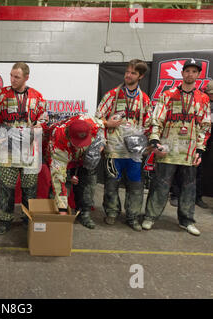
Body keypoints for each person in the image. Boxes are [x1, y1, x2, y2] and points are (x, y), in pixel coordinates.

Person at [142, 59, 211, 236]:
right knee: (160, 184)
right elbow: (157, 119)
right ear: (182, 73)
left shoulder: (202, 98)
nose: (190, 74)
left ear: (198, 75)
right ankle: (150, 217)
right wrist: (155, 140)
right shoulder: (168, 94)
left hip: (189, 151)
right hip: (168, 148)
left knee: (189, 186)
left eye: (194, 71)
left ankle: (186, 221)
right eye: (187, 70)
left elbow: (205, 125)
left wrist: (200, 149)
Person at [0, 62, 48, 235]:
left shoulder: (37, 97)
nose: (12, 79)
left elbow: (44, 118)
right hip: (7, 151)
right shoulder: (0, 95)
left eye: (17, 77)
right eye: (11, 75)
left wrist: (38, 127)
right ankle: (5, 219)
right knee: (6, 187)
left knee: (30, 188)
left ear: (26, 77)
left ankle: (27, 218)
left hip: (29, 151)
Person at [95, 59, 151, 231]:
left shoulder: (144, 99)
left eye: (133, 73)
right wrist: (108, 124)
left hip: (133, 152)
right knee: (112, 182)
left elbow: (149, 124)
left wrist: (146, 145)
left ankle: (132, 216)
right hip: (114, 149)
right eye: (127, 71)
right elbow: (97, 118)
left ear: (140, 76)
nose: (128, 75)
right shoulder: (112, 95)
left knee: (135, 184)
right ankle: (112, 212)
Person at [47, 115, 104, 228]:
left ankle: (84, 214)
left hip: (84, 157)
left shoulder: (92, 123)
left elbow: (102, 128)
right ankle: (56, 212)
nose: (80, 144)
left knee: (88, 184)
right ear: (69, 135)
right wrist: (62, 208)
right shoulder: (57, 140)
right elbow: (58, 179)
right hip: (65, 154)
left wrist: (99, 146)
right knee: (61, 184)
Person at [169, 80, 213, 209]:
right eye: (211, 94)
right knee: (179, 166)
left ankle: (196, 197)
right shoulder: (199, 99)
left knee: (199, 169)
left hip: (205, 139)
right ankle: (175, 195)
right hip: (189, 136)